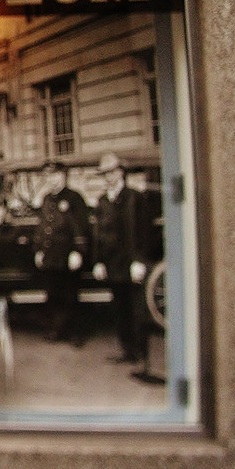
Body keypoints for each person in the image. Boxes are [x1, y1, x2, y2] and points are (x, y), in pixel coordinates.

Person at [91, 151, 151, 365]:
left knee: (137, 310)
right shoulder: (102, 201)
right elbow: (98, 235)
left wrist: (139, 261)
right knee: (120, 309)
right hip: (112, 264)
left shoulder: (134, 198)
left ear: (121, 172)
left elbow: (142, 233)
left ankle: (141, 355)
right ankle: (127, 351)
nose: (109, 177)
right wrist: (98, 261)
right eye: (105, 173)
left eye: (112, 172)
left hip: (131, 264)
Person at [32, 160, 90, 345]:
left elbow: (81, 228)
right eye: (49, 176)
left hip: (67, 254)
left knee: (71, 295)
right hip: (51, 254)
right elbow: (43, 228)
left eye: (56, 175)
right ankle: (57, 330)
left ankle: (76, 334)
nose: (53, 180)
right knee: (53, 294)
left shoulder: (74, 198)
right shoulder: (47, 198)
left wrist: (77, 251)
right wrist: (39, 250)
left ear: (64, 176)